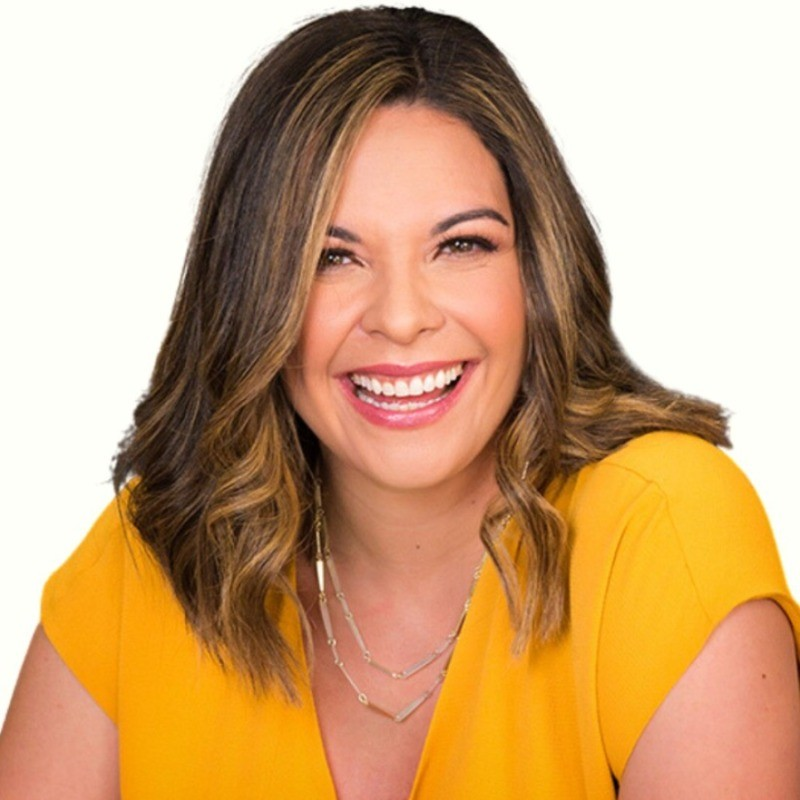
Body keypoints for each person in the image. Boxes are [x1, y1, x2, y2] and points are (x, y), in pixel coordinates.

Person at [1, 6, 798, 798]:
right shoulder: (155, 559)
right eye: (332, 257)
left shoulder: (664, 533)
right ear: (252, 296)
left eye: (461, 245)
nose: (402, 316)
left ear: (538, 272)